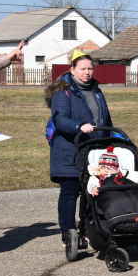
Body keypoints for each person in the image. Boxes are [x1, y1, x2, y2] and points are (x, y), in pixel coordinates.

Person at [44, 50, 114, 247]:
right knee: (70, 191)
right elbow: (60, 119)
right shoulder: (62, 91)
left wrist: (111, 140)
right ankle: (68, 232)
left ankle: (90, 229)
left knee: (93, 192)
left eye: (90, 68)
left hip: (93, 151)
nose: (87, 72)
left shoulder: (97, 91)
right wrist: (78, 126)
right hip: (69, 150)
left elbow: (105, 120)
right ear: (72, 69)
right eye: (82, 69)